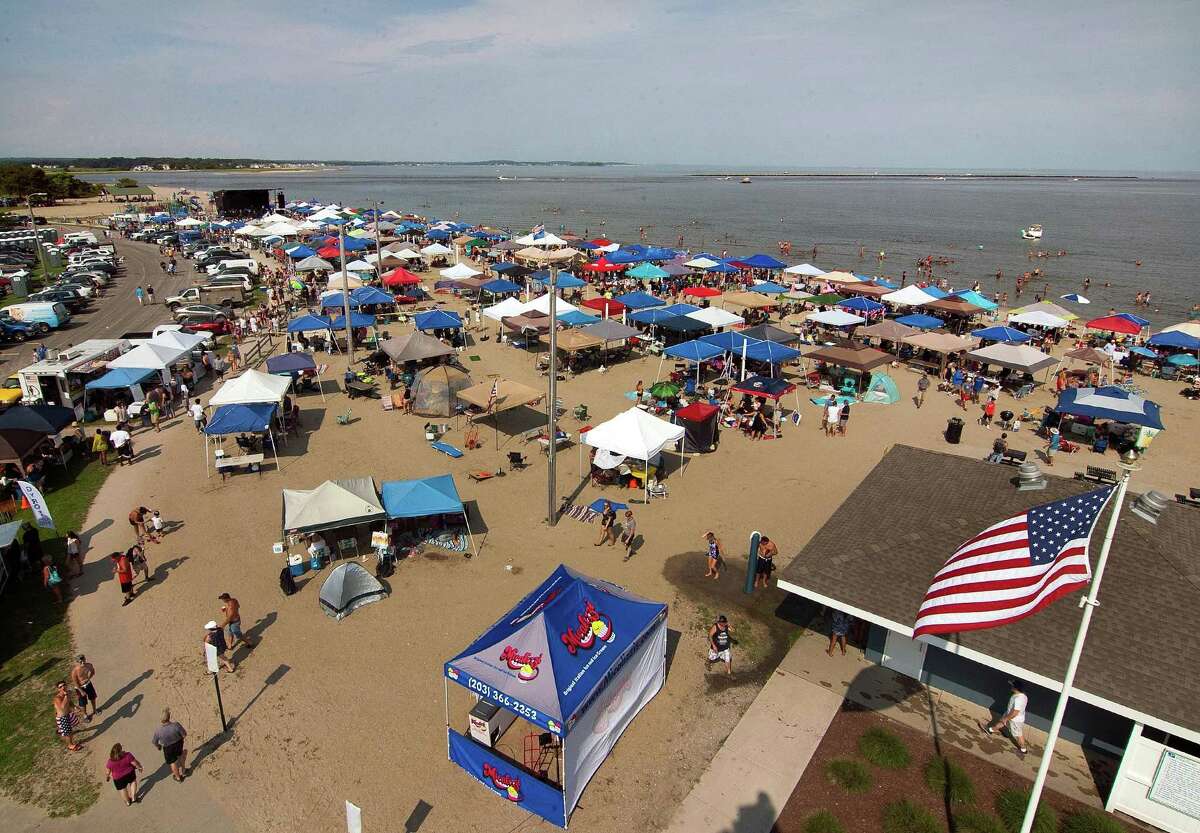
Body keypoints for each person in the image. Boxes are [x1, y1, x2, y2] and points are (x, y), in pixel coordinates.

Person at [984, 680, 1029, 755]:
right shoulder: (1023, 696)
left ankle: (1023, 749)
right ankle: (990, 730)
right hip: (1009, 715)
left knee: (1018, 735)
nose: (1011, 687)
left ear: (1016, 688)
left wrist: (1006, 718)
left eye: (1012, 686)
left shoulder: (1018, 699)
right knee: (1001, 722)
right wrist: (1006, 717)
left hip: (1015, 720)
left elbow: (1015, 712)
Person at [151, 709, 189, 782]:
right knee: (180, 756)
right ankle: (183, 770)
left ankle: (178, 777)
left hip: (168, 748)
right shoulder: (176, 725)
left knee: (172, 762)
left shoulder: (158, 731)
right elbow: (184, 734)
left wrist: (158, 746)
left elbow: (154, 742)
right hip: (178, 744)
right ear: (169, 717)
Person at [55, 680, 84, 751]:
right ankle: (70, 745)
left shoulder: (67, 694)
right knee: (68, 733)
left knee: (70, 729)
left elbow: (69, 702)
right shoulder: (57, 698)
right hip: (62, 718)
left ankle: (60, 730)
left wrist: (75, 707)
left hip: (67, 715)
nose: (63, 687)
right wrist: (66, 696)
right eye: (60, 687)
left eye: (64, 685)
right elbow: (62, 707)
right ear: (58, 689)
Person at [71, 655, 99, 722]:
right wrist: (81, 691)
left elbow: (93, 672)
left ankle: (95, 710)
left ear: (85, 659)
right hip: (80, 687)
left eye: (83, 660)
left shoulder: (89, 665)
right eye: (80, 661)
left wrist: (88, 678)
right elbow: (75, 683)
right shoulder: (75, 671)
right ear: (77, 662)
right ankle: (85, 715)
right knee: (83, 702)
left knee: (93, 697)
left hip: (88, 684)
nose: (82, 663)